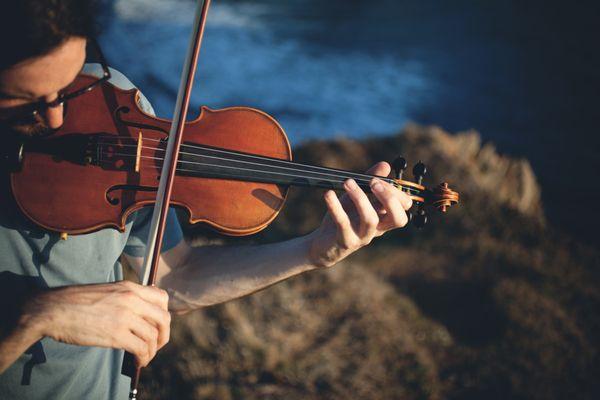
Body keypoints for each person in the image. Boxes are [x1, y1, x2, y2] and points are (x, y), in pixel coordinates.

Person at [0, 1, 412, 398]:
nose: (56, 119)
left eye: (64, 88)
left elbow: (174, 277)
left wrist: (312, 251)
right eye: (25, 101)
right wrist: (32, 318)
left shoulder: (109, 100)